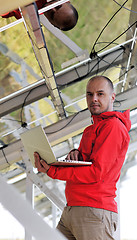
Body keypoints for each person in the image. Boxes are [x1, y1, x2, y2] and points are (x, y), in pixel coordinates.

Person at [34, 75, 131, 240]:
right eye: (89, 94)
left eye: (100, 94)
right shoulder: (90, 130)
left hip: (93, 211)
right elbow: (85, 165)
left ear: (112, 97)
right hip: (73, 209)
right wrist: (76, 155)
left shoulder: (113, 127)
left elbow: (96, 173)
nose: (94, 99)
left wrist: (53, 171)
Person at [1, 0, 78, 31]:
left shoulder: (27, 12)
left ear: (51, 22)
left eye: (52, 14)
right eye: (58, 6)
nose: (51, 8)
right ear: (66, 1)